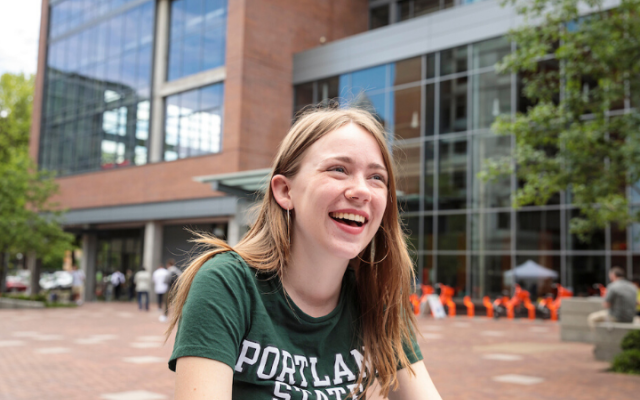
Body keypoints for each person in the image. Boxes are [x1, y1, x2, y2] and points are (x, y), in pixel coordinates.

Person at [166, 107, 442, 400]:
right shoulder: (227, 283)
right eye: (338, 169)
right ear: (285, 191)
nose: (362, 191)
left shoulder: (377, 294)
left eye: (377, 177)